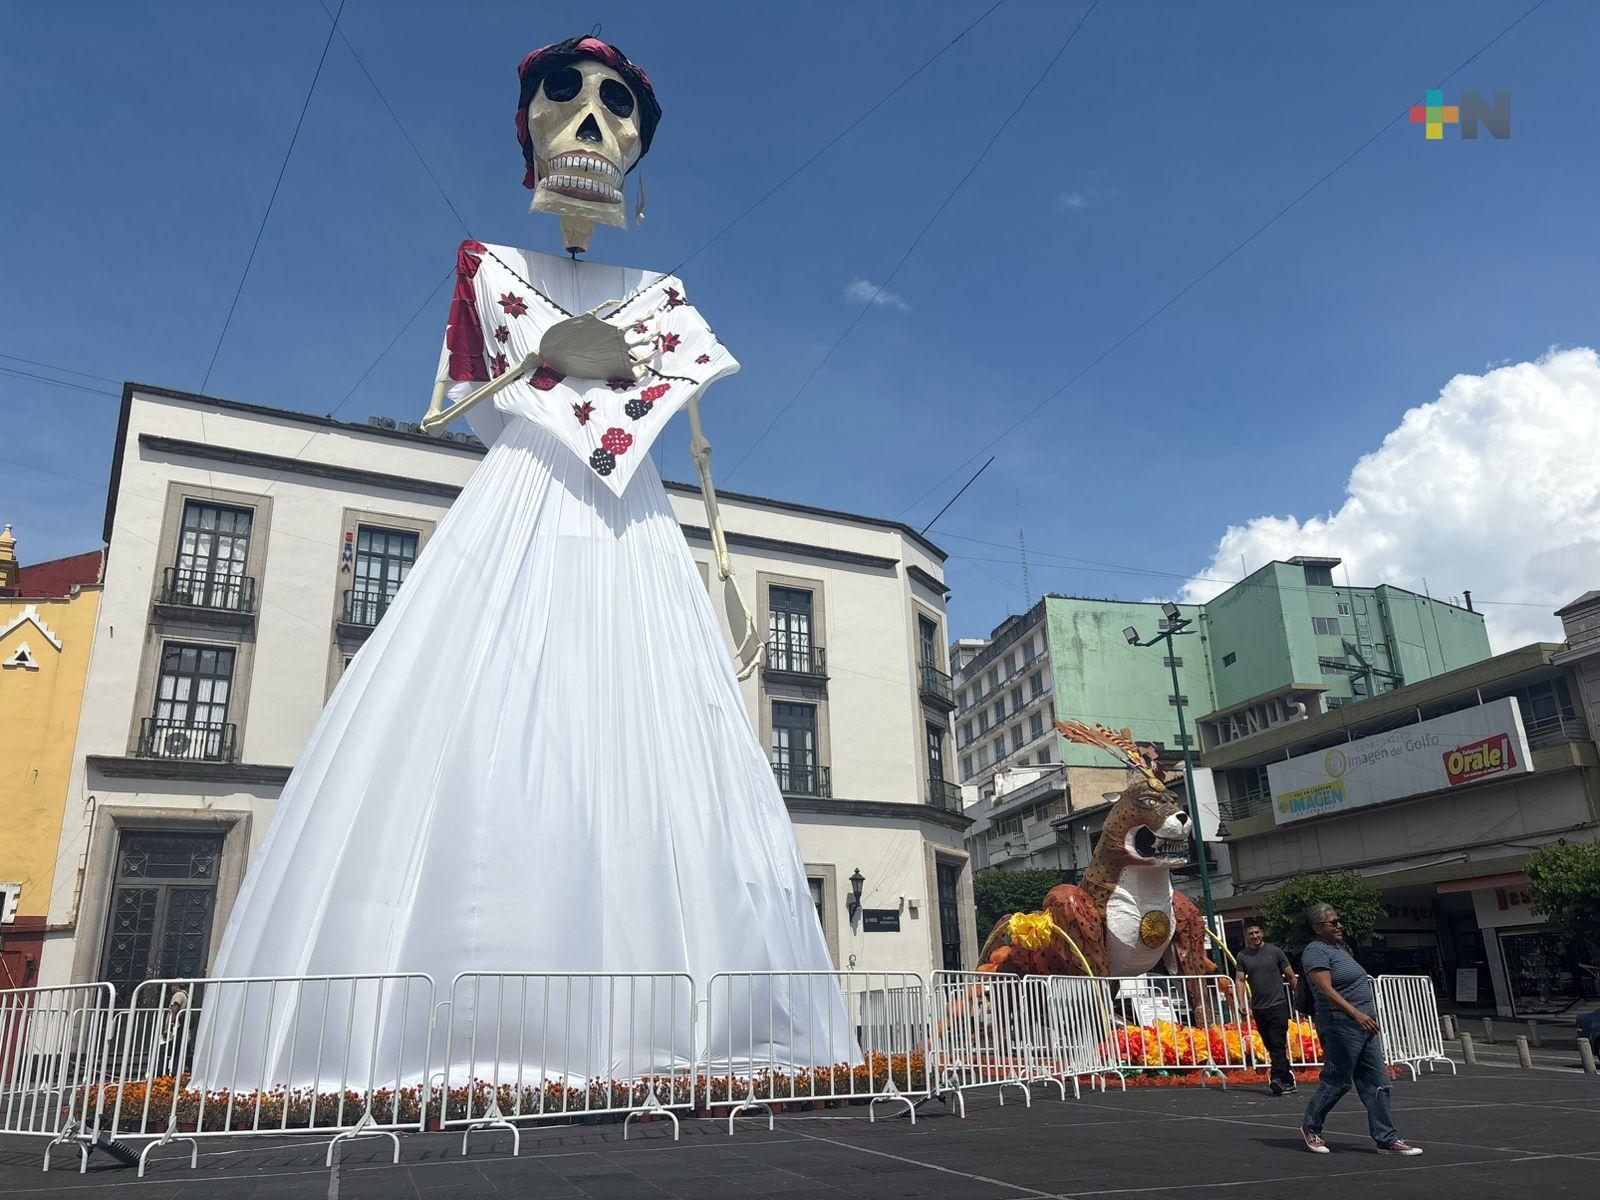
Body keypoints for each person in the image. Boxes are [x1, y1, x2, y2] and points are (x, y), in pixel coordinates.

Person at [1299, 903, 1422, 1156]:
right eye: (1333, 922)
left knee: (1377, 1081)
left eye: (1338, 920)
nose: (1339, 925)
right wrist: (1356, 1013)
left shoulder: (1338, 949)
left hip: (1365, 1024)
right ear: (1317, 927)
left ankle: (1386, 1138)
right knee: (1338, 1081)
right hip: (1340, 1023)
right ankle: (1311, 1126)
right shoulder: (1315, 951)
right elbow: (1325, 989)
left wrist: (1365, 1016)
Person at [1234, 921, 1298, 1094]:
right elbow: (1240, 980)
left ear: (1262, 933)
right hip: (1259, 1007)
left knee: (1277, 1042)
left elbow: (1291, 976)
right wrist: (1241, 1003)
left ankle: (1276, 1078)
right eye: (1251, 934)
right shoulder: (1242, 956)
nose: (1254, 936)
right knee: (1270, 1044)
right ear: (1246, 936)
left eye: (1257, 932)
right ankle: (1288, 1079)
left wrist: (1299, 997)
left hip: (1278, 1004)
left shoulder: (1275, 952)